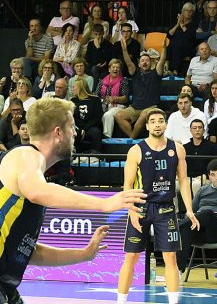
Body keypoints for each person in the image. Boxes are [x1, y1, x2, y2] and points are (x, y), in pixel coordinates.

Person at [0, 97, 146, 303]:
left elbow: (27, 250)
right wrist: (103, 204)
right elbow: (37, 191)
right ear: (58, 132)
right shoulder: (26, 155)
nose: (76, 133)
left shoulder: (34, 176)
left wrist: (84, 254)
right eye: (72, 127)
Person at [117, 109, 200, 304]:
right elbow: (127, 186)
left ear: (165, 124)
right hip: (141, 207)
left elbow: (184, 180)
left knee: (170, 256)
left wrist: (189, 209)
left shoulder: (177, 149)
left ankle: (173, 301)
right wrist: (131, 211)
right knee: (132, 256)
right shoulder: (136, 150)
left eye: (160, 121)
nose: (157, 124)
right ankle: (121, 301)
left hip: (166, 208)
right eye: (152, 121)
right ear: (146, 126)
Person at [114, 38, 167, 139]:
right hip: (135, 107)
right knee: (118, 115)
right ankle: (132, 137)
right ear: (139, 63)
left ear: (151, 63)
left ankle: (131, 139)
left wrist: (164, 48)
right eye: (142, 60)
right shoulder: (135, 72)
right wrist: (124, 50)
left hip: (151, 107)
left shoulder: (156, 73)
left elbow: (162, 60)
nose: (145, 62)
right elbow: (128, 62)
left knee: (143, 115)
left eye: (147, 60)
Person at [183, 119, 217, 194]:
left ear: (204, 130)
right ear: (190, 130)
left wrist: (207, 176)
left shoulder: (212, 147)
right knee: (174, 184)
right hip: (188, 178)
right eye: (194, 128)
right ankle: (174, 206)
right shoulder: (184, 148)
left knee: (196, 185)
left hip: (205, 178)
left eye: (200, 128)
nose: (197, 130)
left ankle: (196, 206)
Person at [95, 58, 130, 138]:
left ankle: (107, 137)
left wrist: (115, 99)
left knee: (107, 115)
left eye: (117, 67)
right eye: (113, 67)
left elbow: (126, 98)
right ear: (109, 69)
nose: (115, 69)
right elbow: (96, 95)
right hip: (103, 104)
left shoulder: (123, 81)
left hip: (119, 106)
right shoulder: (102, 81)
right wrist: (103, 100)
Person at [166, 2, 198, 76]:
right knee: (171, 46)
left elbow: (189, 36)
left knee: (177, 45)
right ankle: (169, 69)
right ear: (182, 11)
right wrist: (177, 24)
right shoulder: (176, 22)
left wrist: (182, 25)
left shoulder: (194, 24)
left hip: (188, 47)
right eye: (186, 10)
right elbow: (169, 35)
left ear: (193, 13)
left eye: (190, 11)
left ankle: (175, 70)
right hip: (175, 47)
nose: (188, 12)